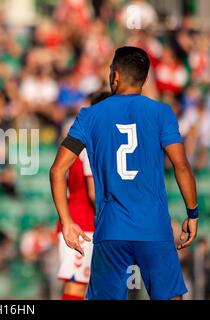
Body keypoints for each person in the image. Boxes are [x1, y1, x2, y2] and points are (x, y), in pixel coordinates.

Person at [50, 46, 199, 300]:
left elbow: (57, 170)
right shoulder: (162, 113)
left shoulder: (90, 115)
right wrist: (192, 213)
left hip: (111, 231)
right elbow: (181, 165)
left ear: (115, 76)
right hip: (154, 228)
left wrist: (67, 222)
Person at [57, 92, 111, 300]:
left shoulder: (84, 137)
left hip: (84, 221)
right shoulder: (92, 143)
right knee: (77, 286)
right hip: (82, 223)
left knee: (86, 287)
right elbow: (93, 192)